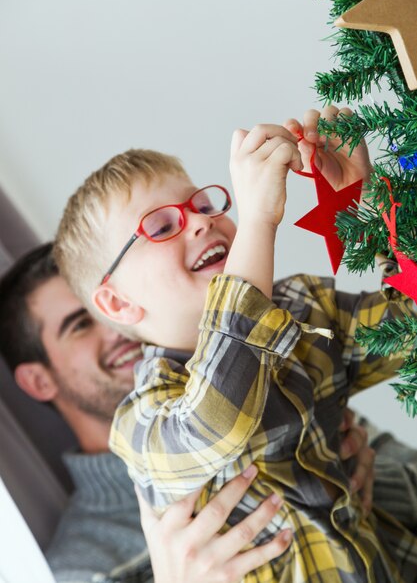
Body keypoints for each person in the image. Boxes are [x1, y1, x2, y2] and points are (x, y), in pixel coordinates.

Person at [54, 105, 417, 582]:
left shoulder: (304, 306)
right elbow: (219, 420)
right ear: (118, 304)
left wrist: (368, 197)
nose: (202, 223)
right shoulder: (142, 422)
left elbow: (407, 326)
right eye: (162, 227)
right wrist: (258, 223)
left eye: (203, 205)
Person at [0, 243, 294, 583]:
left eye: (115, 303)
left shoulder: (254, 388)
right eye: (81, 324)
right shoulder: (78, 570)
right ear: (38, 381)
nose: (116, 328)